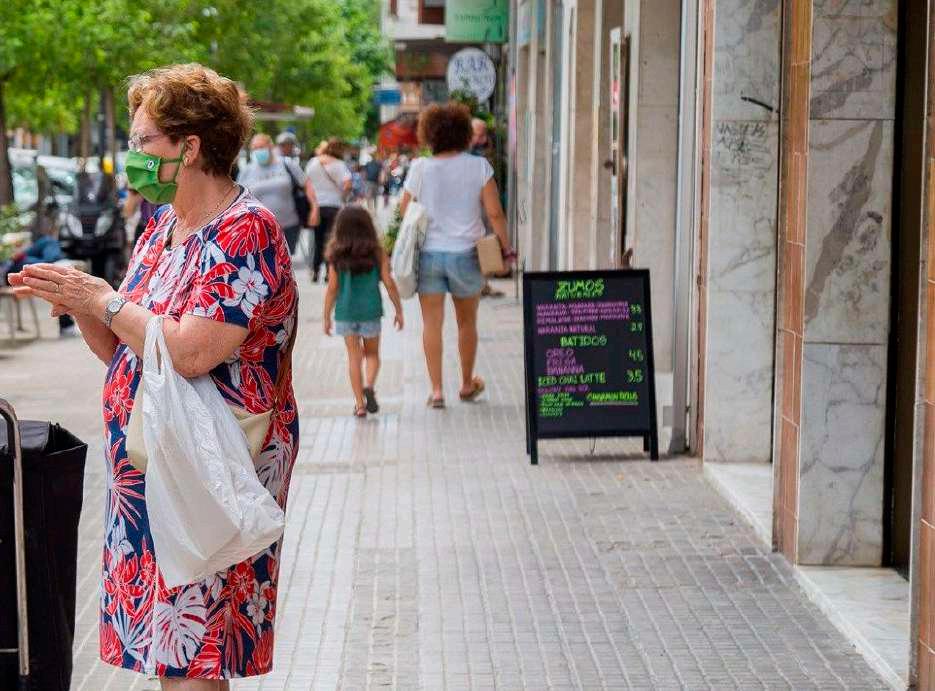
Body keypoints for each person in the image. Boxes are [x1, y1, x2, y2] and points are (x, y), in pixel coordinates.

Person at [10, 63, 299, 690]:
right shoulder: (161, 227)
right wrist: (83, 303)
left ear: (189, 148)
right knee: (170, 653)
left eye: (143, 140)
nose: (131, 154)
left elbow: (192, 352)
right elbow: (128, 348)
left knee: (196, 652)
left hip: (211, 470)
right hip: (151, 466)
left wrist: (106, 301)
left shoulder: (245, 229)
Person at [398, 102, 514, 408]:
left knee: (431, 324)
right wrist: (506, 249)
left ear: (429, 133)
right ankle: (465, 384)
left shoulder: (420, 168)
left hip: (429, 255)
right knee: (467, 322)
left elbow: (404, 209)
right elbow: (495, 213)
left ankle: (436, 391)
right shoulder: (479, 167)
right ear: (464, 133)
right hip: (467, 254)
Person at [322, 206, 403, 417]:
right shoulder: (377, 252)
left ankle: (359, 405)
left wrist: (326, 317)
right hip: (370, 312)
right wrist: (398, 309)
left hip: (346, 313)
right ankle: (369, 386)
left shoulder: (336, 254)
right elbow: (389, 282)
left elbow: (332, 288)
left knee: (354, 357)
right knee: (372, 354)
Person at [237, 133, 317, 256]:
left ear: (270, 146)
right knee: (266, 262)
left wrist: (314, 208)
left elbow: (306, 183)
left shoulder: (286, 164)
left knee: (285, 260)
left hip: (288, 225)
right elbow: (238, 198)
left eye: (261, 147)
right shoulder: (247, 171)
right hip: (259, 228)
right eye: (255, 148)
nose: (259, 151)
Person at [0, 224, 77, 337]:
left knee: (48, 240)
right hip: (8, 267)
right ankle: (58, 264)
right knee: (52, 270)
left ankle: (56, 263)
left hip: (15, 257)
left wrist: (13, 249)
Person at [305, 138, 352, 282]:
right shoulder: (339, 164)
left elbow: (307, 185)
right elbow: (348, 184)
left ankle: (315, 271)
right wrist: (342, 196)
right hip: (334, 206)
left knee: (317, 240)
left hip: (318, 206)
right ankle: (329, 272)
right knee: (332, 240)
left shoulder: (313, 162)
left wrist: (313, 204)